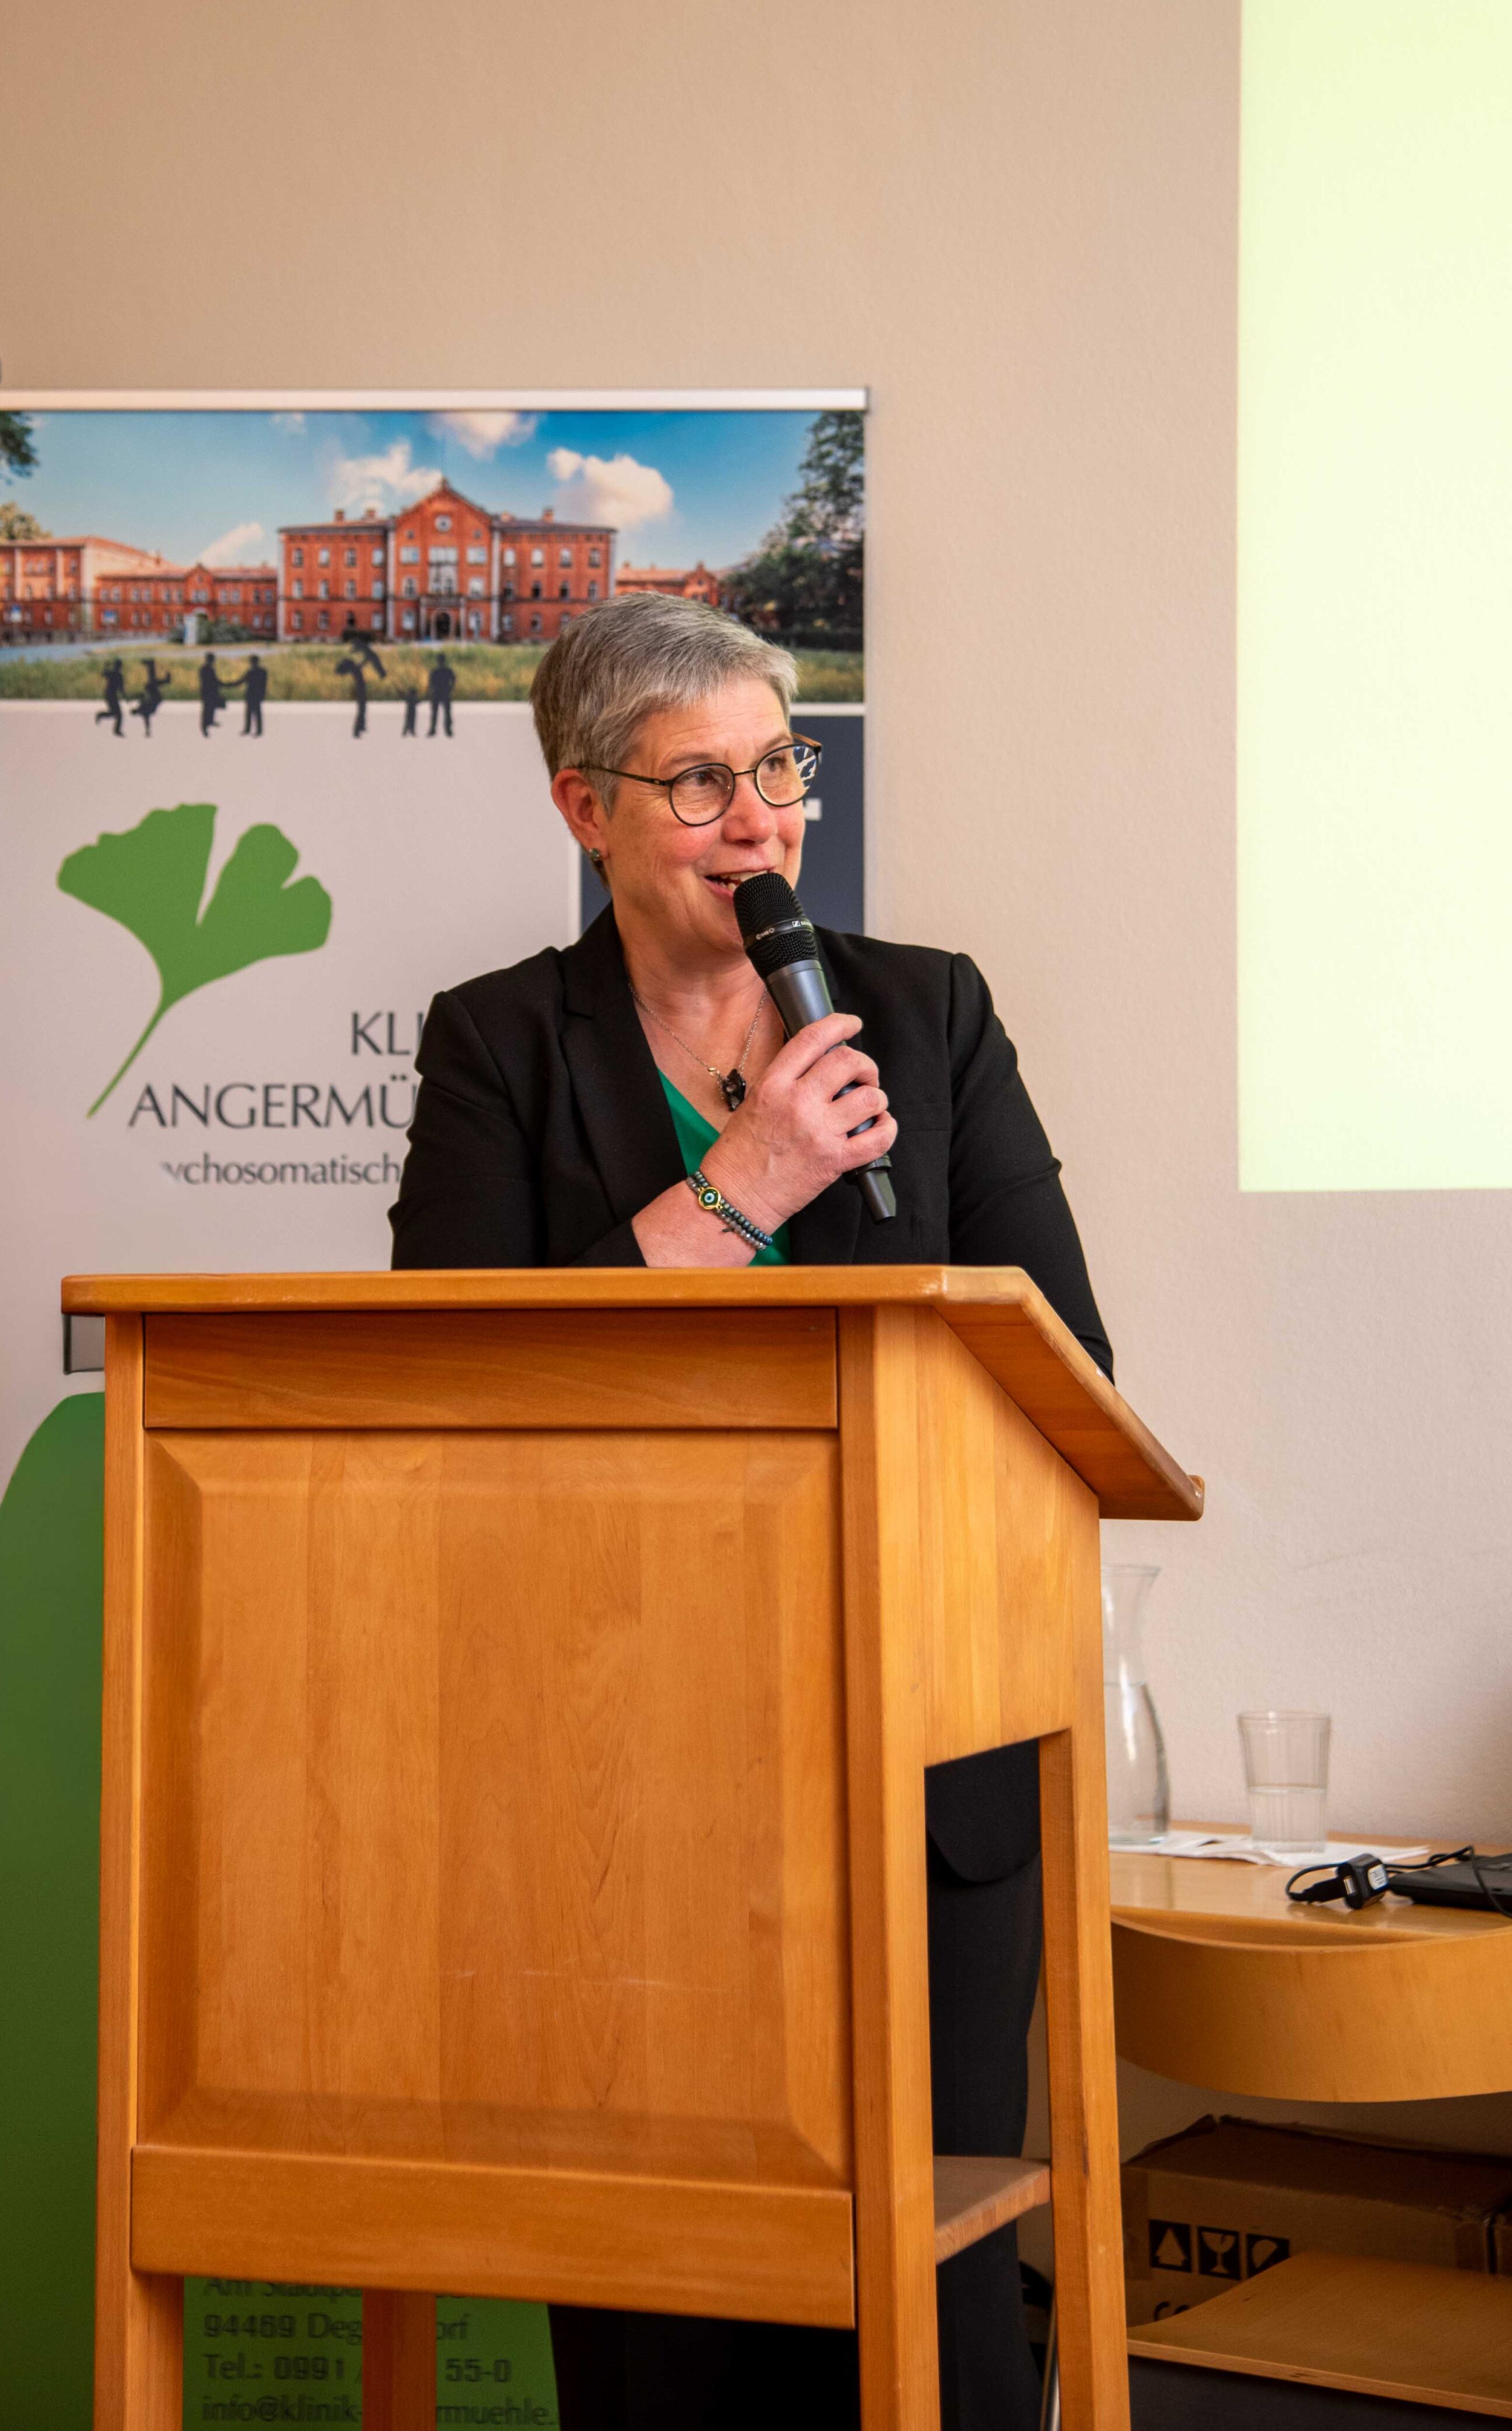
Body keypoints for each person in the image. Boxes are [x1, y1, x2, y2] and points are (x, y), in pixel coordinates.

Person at [391, 594, 1111, 2431]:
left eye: (776, 768)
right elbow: (461, 1396)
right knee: (664, 2299)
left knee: (928, 2303)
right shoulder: (497, 1045)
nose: (758, 820)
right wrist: (742, 1188)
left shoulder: (924, 1012)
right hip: (623, 1765)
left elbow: (1066, 1372)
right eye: (697, 782)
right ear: (584, 808)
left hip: (920, 1746)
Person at [94, 654, 126, 736]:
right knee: (118, 715)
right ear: (121, 667)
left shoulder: (112, 673)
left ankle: (101, 715)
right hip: (112, 696)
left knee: (115, 714)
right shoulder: (119, 675)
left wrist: (106, 666)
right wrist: (125, 696)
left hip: (109, 695)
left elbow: (103, 674)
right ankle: (117, 730)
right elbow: (121, 689)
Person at [426, 651, 456, 736]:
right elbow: (454, 680)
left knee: (435, 713)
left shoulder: (435, 671)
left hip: (437, 693)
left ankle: (433, 730)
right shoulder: (448, 671)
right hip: (445, 693)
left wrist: (430, 692)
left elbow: (430, 683)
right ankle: (448, 730)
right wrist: (451, 689)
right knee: (447, 713)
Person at [197, 653, 228, 734]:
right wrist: (224, 685)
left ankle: (210, 722)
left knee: (211, 708)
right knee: (208, 709)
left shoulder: (205, 669)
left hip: (208, 692)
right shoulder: (208, 669)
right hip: (209, 692)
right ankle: (205, 726)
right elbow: (213, 681)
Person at [241, 655, 268, 735]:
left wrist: (229, 685)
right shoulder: (263, 672)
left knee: (249, 713)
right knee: (257, 713)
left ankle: (248, 730)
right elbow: (264, 684)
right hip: (257, 695)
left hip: (251, 695)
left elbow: (241, 681)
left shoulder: (250, 672)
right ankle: (258, 731)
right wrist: (263, 694)